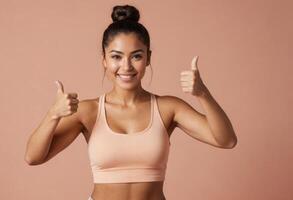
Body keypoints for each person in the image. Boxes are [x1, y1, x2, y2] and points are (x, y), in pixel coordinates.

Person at [24, 4, 237, 200]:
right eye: (116, 57)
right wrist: (53, 114)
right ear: (104, 60)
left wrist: (202, 93)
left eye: (136, 56)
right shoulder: (88, 111)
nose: (126, 66)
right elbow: (33, 157)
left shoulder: (168, 108)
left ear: (148, 58)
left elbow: (226, 140)